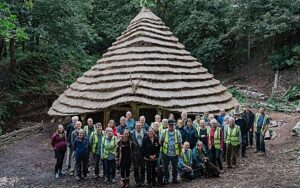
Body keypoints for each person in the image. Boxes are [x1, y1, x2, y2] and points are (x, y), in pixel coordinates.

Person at [160, 119, 182, 184]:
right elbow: (160, 141)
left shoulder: (177, 132)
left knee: (175, 167)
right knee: (165, 167)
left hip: (175, 154)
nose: (171, 126)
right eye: (170, 125)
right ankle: (166, 179)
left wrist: (180, 153)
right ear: (167, 125)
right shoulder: (164, 132)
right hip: (166, 153)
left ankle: (174, 179)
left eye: (172, 125)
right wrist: (162, 151)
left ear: (174, 125)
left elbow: (180, 143)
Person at [130, 121, 147, 187]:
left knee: (143, 168)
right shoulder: (131, 133)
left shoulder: (145, 133)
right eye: (137, 126)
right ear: (135, 126)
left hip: (143, 153)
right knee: (136, 168)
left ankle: (142, 181)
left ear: (141, 126)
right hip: (135, 154)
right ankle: (137, 181)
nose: (138, 127)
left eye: (139, 126)